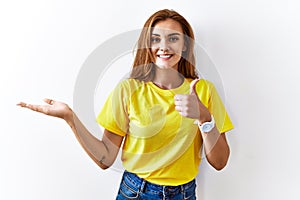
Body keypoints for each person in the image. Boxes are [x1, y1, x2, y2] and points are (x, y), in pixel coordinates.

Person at [18, 9, 234, 200]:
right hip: (136, 192)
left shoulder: (203, 90)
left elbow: (220, 162)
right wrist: (70, 117)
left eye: (173, 39)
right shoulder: (128, 90)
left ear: (185, 45)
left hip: (184, 194)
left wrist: (204, 118)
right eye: (156, 39)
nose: (164, 47)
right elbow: (105, 158)